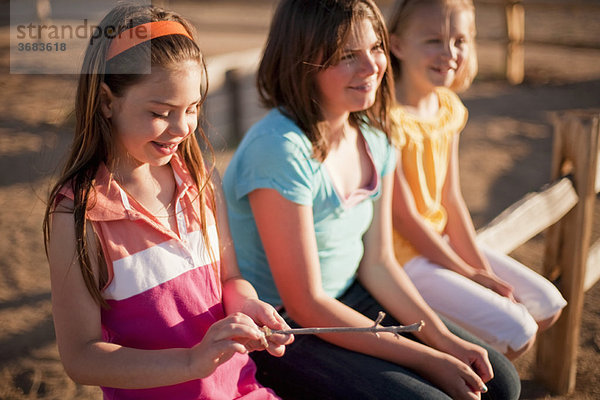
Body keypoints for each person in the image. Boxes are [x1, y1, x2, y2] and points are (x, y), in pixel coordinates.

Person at [223, 0, 520, 399]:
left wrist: (444, 340)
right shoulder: (279, 149)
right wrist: (427, 358)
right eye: (348, 56)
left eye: (376, 47)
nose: (371, 67)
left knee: (501, 382)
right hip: (286, 330)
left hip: (354, 296)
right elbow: (306, 303)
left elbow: (379, 262)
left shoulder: (375, 138)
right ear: (302, 61)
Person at [42, 4, 292, 399]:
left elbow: (229, 278)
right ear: (107, 101)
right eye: (160, 112)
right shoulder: (78, 216)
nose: (181, 128)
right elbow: (80, 357)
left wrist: (247, 305)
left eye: (192, 109)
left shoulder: (201, 179)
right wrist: (192, 362)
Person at [386, 0, 567, 360]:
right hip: (402, 257)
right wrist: (468, 273)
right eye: (434, 40)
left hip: (441, 242)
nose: (450, 53)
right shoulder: (386, 117)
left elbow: (451, 199)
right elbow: (404, 218)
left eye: (460, 40)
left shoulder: (448, 107)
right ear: (397, 45)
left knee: (546, 305)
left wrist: (480, 271)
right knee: (518, 333)